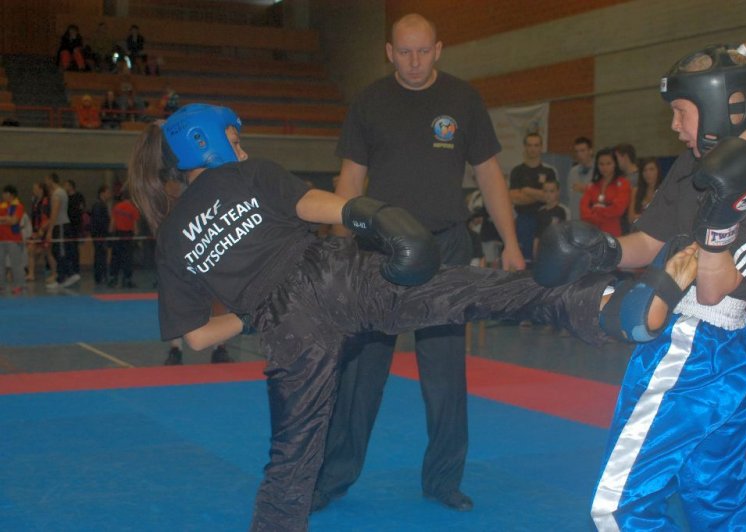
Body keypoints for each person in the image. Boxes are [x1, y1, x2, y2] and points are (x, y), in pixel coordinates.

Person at [127, 102, 697, 531]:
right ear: (205, 144)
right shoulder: (243, 175)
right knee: (467, 290)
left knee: (291, 460)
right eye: (234, 139)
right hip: (334, 278)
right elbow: (314, 205)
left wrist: (258, 315)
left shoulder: (171, 239)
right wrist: (372, 213)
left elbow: (195, 337)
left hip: (288, 332)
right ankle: (603, 306)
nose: (241, 146)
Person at [536, 39, 746, 530]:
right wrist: (601, 249)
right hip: (685, 341)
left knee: (621, 505)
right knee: (714, 493)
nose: (674, 126)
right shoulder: (693, 162)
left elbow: (713, 291)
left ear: (725, 107)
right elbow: (649, 241)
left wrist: (719, 222)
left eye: (682, 112)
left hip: (703, 348)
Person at [313, 13, 526, 515]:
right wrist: (340, 248)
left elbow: (490, 175)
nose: (414, 61)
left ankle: (443, 480)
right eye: (405, 52)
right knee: (361, 372)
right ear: (389, 52)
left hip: (445, 249)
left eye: (423, 51)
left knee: (445, 372)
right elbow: (350, 181)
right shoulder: (369, 101)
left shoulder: (463, 100)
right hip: (378, 250)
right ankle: (333, 477)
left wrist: (511, 242)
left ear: (439, 49)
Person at [509, 131, 559, 266]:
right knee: (524, 260)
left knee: (545, 259)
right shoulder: (517, 171)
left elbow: (550, 197)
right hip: (524, 220)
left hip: (545, 219)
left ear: (541, 147)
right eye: (530, 145)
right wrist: (540, 195)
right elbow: (514, 198)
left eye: (536, 145)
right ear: (525, 147)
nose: (533, 149)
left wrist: (527, 191)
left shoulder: (549, 172)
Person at [580, 147, 631, 237]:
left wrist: (597, 210)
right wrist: (600, 213)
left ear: (615, 164)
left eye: (608, 163)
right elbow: (583, 208)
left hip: (615, 232)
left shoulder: (623, 183)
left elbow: (619, 208)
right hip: (593, 232)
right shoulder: (592, 185)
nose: (604, 167)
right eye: (601, 164)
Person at [43, 172, 78, 289]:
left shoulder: (57, 194)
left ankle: (64, 277)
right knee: (58, 251)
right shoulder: (60, 192)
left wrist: (49, 231)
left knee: (60, 252)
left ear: (51, 180)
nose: (46, 183)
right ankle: (67, 275)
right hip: (60, 225)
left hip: (61, 226)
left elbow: (55, 213)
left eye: (46, 180)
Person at [108, 190, 140, 288]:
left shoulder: (116, 207)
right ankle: (127, 279)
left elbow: (112, 223)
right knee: (127, 258)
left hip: (117, 234)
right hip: (128, 235)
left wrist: (110, 233)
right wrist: (136, 236)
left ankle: (113, 278)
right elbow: (135, 226)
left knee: (115, 257)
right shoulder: (133, 209)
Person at [26, 181, 57, 283]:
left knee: (48, 253)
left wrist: (43, 230)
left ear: (41, 189)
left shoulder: (47, 201)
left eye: (35, 188)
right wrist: (34, 231)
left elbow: (49, 218)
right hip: (36, 231)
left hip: (45, 231)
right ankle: (31, 274)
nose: (33, 190)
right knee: (30, 250)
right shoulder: (35, 201)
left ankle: (54, 274)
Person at [0, 185, 26, 295]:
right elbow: (9, 220)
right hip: (1, 238)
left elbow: (14, 221)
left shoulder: (18, 206)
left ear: (9, 194)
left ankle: (19, 285)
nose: (2, 195)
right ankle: (1, 285)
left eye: (4, 193)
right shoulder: (2, 206)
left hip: (14, 239)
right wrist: (6, 219)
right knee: (0, 263)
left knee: (16, 264)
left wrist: (5, 220)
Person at [533, 180, 567, 261]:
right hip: (542, 249)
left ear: (558, 192)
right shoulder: (540, 212)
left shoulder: (561, 211)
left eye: (551, 191)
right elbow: (537, 235)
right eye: (545, 191)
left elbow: (563, 235)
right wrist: (534, 252)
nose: (548, 195)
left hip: (555, 250)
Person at [627, 156, 663, 226]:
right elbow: (631, 218)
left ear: (658, 171)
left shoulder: (664, 191)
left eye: (651, 169)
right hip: (639, 230)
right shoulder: (636, 191)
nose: (648, 173)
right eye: (644, 170)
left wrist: (641, 217)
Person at [567, 136, 595, 219]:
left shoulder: (600, 171)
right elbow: (569, 197)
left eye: (582, 151)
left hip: (593, 218)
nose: (579, 154)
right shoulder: (572, 172)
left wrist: (585, 189)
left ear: (591, 151)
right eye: (577, 151)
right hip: (575, 217)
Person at [90, 184, 111, 286]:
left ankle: (101, 275)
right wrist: (104, 232)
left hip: (100, 234)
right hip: (99, 235)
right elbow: (99, 221)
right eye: (107, 192)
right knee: (100, 256)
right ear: (102, 193)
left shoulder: (102, 205)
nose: (109, 194)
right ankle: (100, 276)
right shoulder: (99, 205)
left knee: (102, 255)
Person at [65, 179, 86, 281]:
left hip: (76, 226)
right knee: (67, 248)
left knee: (74, 248)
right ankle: (68, 270)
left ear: (71, 186)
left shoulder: (79, 196)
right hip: (67, 225)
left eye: (66, 185)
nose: (65, 187)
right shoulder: (65, 197)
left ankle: (76, 269)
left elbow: (82, 208)